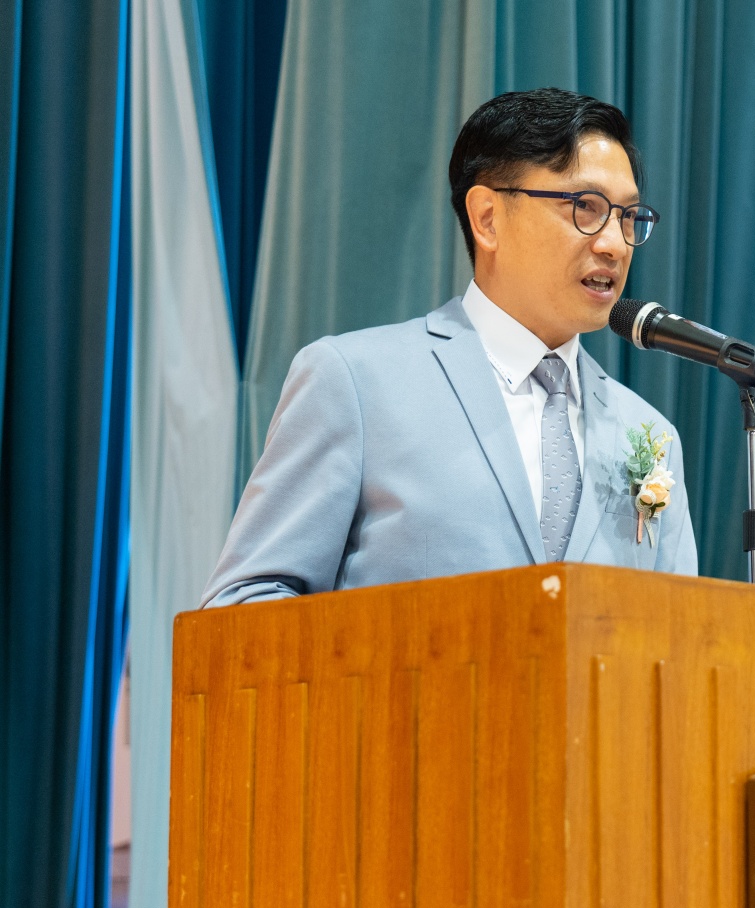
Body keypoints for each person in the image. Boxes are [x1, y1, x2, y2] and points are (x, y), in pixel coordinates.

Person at [201, 88, 696, 608]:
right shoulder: (355, 383)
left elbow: (682, 629)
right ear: (487, 218)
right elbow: (242, 604)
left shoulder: (651, 435)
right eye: (585, 207)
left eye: (628, 217)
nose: (614, 244)